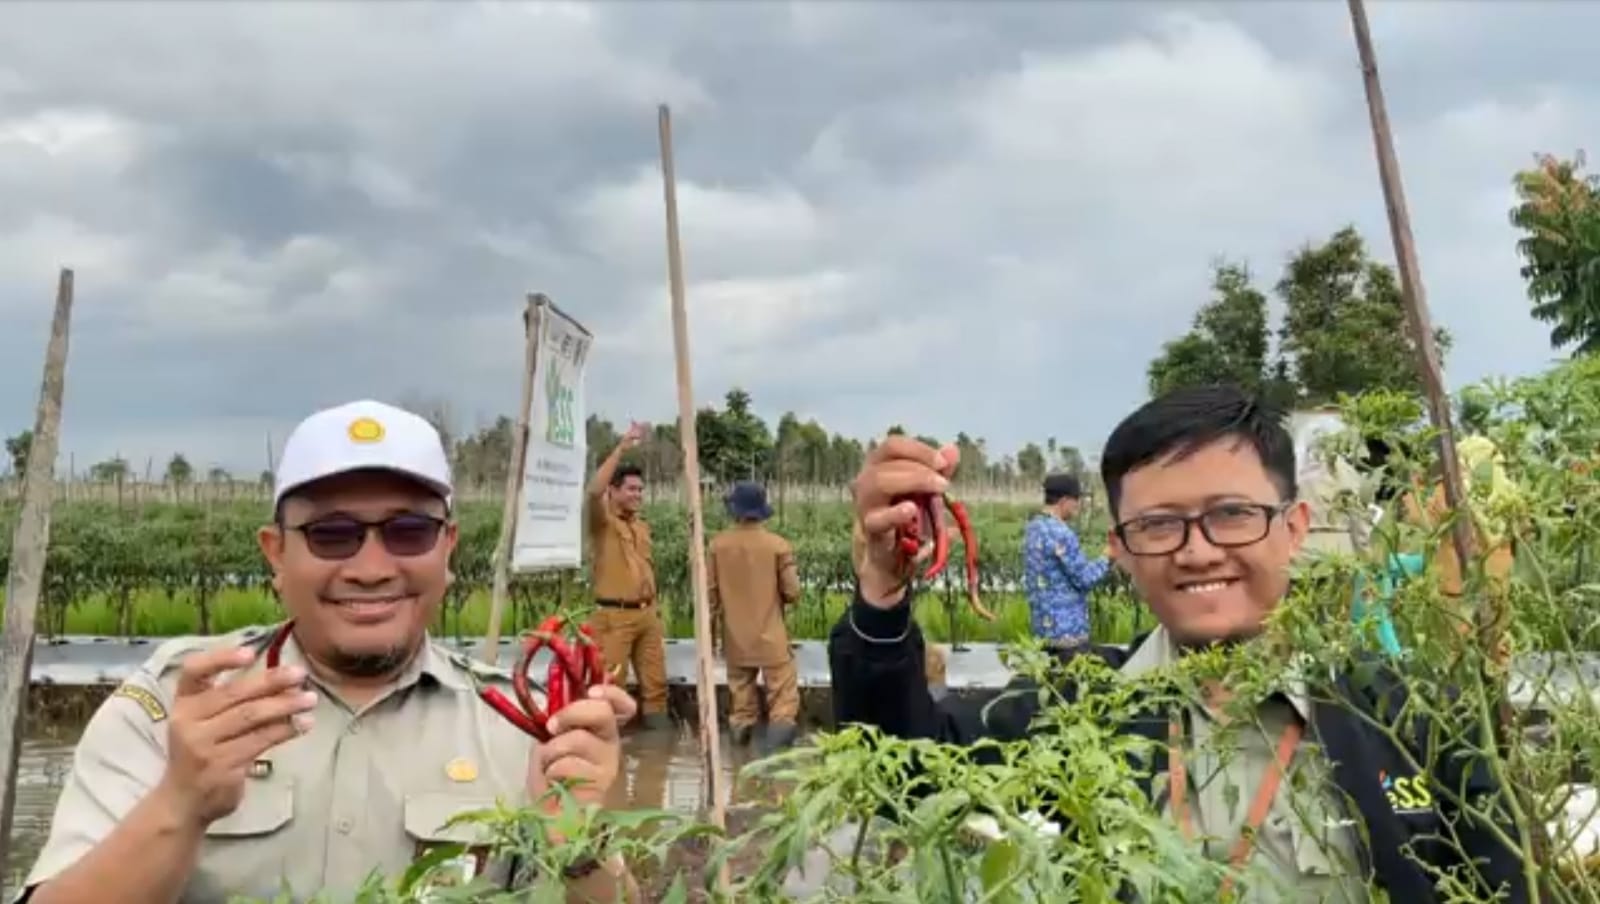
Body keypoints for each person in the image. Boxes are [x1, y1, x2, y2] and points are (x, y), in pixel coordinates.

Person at [830, 384, 1529, 900]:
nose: (1197, 553)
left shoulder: (1411, 719)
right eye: (1159, 525)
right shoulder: (1073, 706)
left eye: (1232, 514)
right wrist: (882, 599)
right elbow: (907, 772)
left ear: (1294, 525)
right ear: (1121, 551)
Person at [17, 400, 641, 904]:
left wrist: (582, 844)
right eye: (331, 534)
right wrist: (179, 806)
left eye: (409, 531)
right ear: (275, 554)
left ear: (448, 548)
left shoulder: (524, 727)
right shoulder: (173, 707)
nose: (371, 568)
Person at [585, 424, 669, 730]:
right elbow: (593, 491)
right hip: (614, 617)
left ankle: (656, 761)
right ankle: (609, 756)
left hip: (647, 616)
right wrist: (621, 448)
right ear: (614, 490)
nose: (638, 495)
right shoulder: (602, 522)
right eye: (631, 489)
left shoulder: (641, 526)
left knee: (657, 687)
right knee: (610, 688)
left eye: (640, 490)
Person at [707, 481, 802, 752]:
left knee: (741, 707)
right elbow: (793, 592)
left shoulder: (717, 546)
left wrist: (711, 637)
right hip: (772, 638)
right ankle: (777, 767)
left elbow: (710, 598)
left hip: (736, 640)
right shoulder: (778, 546)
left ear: (734, 510)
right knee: (783, 703)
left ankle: (740, 769)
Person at [1022, 472, 1112, 649]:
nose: (1078, 505)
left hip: (1041, 631)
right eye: (1076, 499)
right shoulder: (1062, 534)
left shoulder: (1033, 528)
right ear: (1064, 501)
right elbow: (1084, 578)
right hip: (1067, 634)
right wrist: (1108, 556)